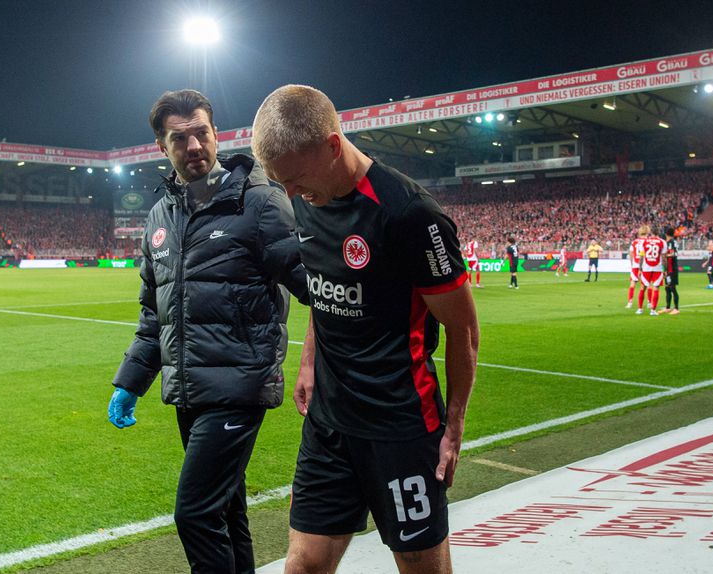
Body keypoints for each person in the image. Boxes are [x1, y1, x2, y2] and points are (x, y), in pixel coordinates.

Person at [251, 84, 479, 574]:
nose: (290, 195)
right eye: (280, 182)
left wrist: (455, 426)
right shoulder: (308, 196)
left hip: (400, 427)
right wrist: (308, 361)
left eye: (295, 179)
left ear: (333, 146)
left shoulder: (410, 214)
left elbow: (463, 329)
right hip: (329, 425)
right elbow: (324, 286)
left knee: (421, 568)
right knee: (303, 566)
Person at [108, 89, 307, 574]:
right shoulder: (160, 217)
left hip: (239, 387)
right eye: (180, 138)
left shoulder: (259, 203)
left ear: (217, 134)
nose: (194, 146)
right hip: (189, 390)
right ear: (162, 146)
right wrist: (130, 382)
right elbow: (155, 316)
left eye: (201, 133)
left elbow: (315, 286)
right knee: (225, 511)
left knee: (195, 514)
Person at [639, 228, 667, 316]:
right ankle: (653, 310)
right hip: (657, 268)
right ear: (658, 233)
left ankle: (640, 309)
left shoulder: (644, 242)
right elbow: (664, 258)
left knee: (642, 288)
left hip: (646, 267)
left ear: (651, 233)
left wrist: (640, 269)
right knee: (656, 288)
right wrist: (665, 270)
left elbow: (641, 256)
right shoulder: (662, 242)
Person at [626, 226, 649, 309]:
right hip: (645, 265)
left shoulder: (634, 242)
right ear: (647, 232)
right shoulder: (648, 241)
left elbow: (631, 253)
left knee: (632, 283)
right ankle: (649, 302)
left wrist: (632, 264)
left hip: (635, 265)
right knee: (647, 284)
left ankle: (630, 302)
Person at [659, 227, 680, 314]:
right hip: (668, 269)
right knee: (667, 288)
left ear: (666, 234)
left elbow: (674, 253)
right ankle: (667, 307)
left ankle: (676, 308)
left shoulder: (671, 242)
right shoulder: (669, 242)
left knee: (672, 288)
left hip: (672, 269)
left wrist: (664, 255)